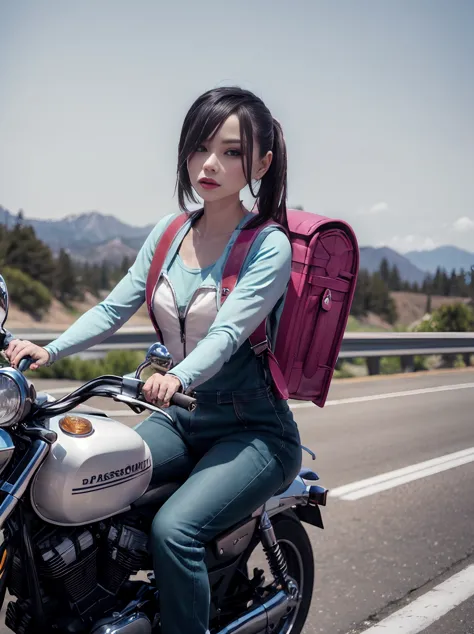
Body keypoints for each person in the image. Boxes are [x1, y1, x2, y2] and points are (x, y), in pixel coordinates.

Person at [5, 86, 302, 634]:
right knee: (76, 480)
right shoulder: (169, 233)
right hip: (182, 420)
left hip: (254, 429)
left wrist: (176, 376)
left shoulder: (268, 245)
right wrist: (48, 348)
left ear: (261, 162)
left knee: (175, 530)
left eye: (232, 152)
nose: (210, 163)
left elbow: (229, 333)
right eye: (199, 146)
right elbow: (112, 307)